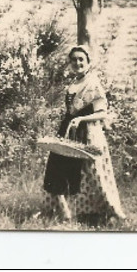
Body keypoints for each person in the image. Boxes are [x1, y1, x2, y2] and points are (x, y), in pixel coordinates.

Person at [42, 45, 125, 225]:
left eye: (81, 59)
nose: (78, 63)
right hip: (69, 131)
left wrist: (82, 119)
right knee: (56, 168)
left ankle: (110, 214)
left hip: (88, 133)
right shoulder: (73, 84)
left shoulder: (92, 83)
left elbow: (103, 113)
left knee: (94, 174)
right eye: (74, 60)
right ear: (70, 63)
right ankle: (64, 213)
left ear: (88, 62)